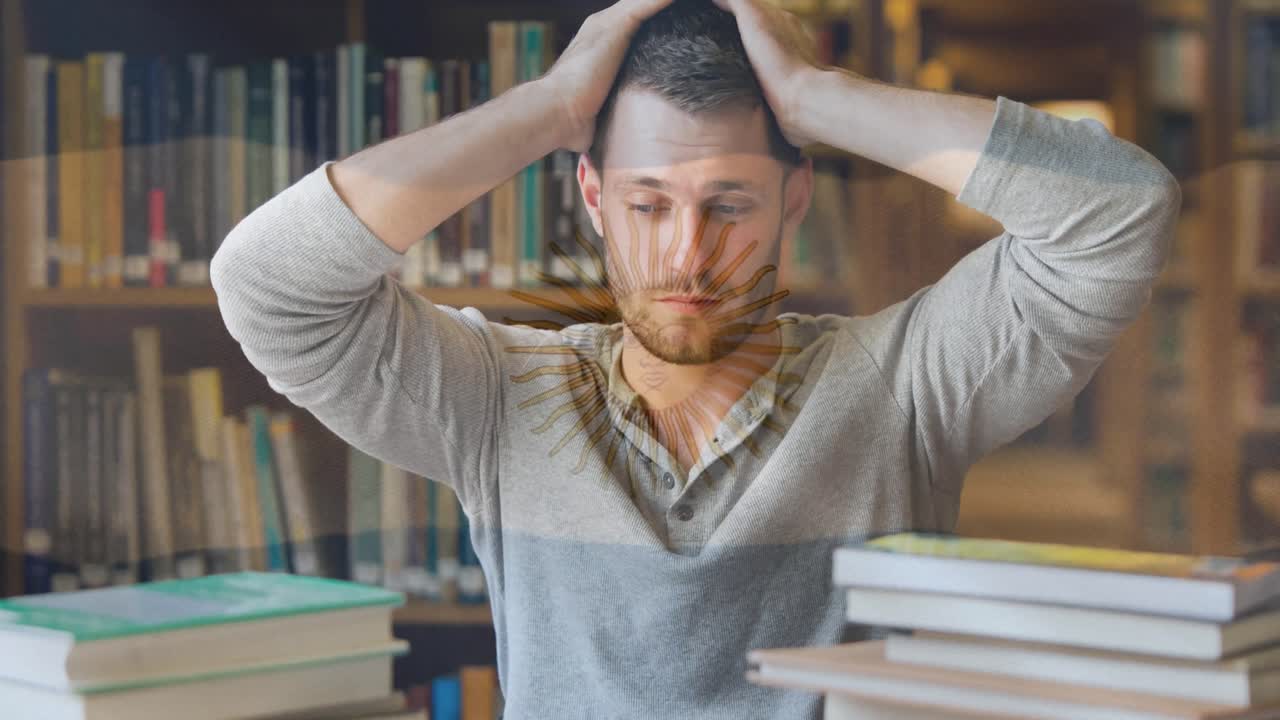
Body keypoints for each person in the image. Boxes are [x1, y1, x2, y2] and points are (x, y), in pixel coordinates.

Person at [210, 0, 1180, 716]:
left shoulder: (904, 387)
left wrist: (814, 99)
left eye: (728, 204)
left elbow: (1115, 211)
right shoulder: (496, 399)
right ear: (590, 199)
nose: (685, 255)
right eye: (647, 205)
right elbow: (266, 282)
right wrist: (549, 110)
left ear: (792, 201)